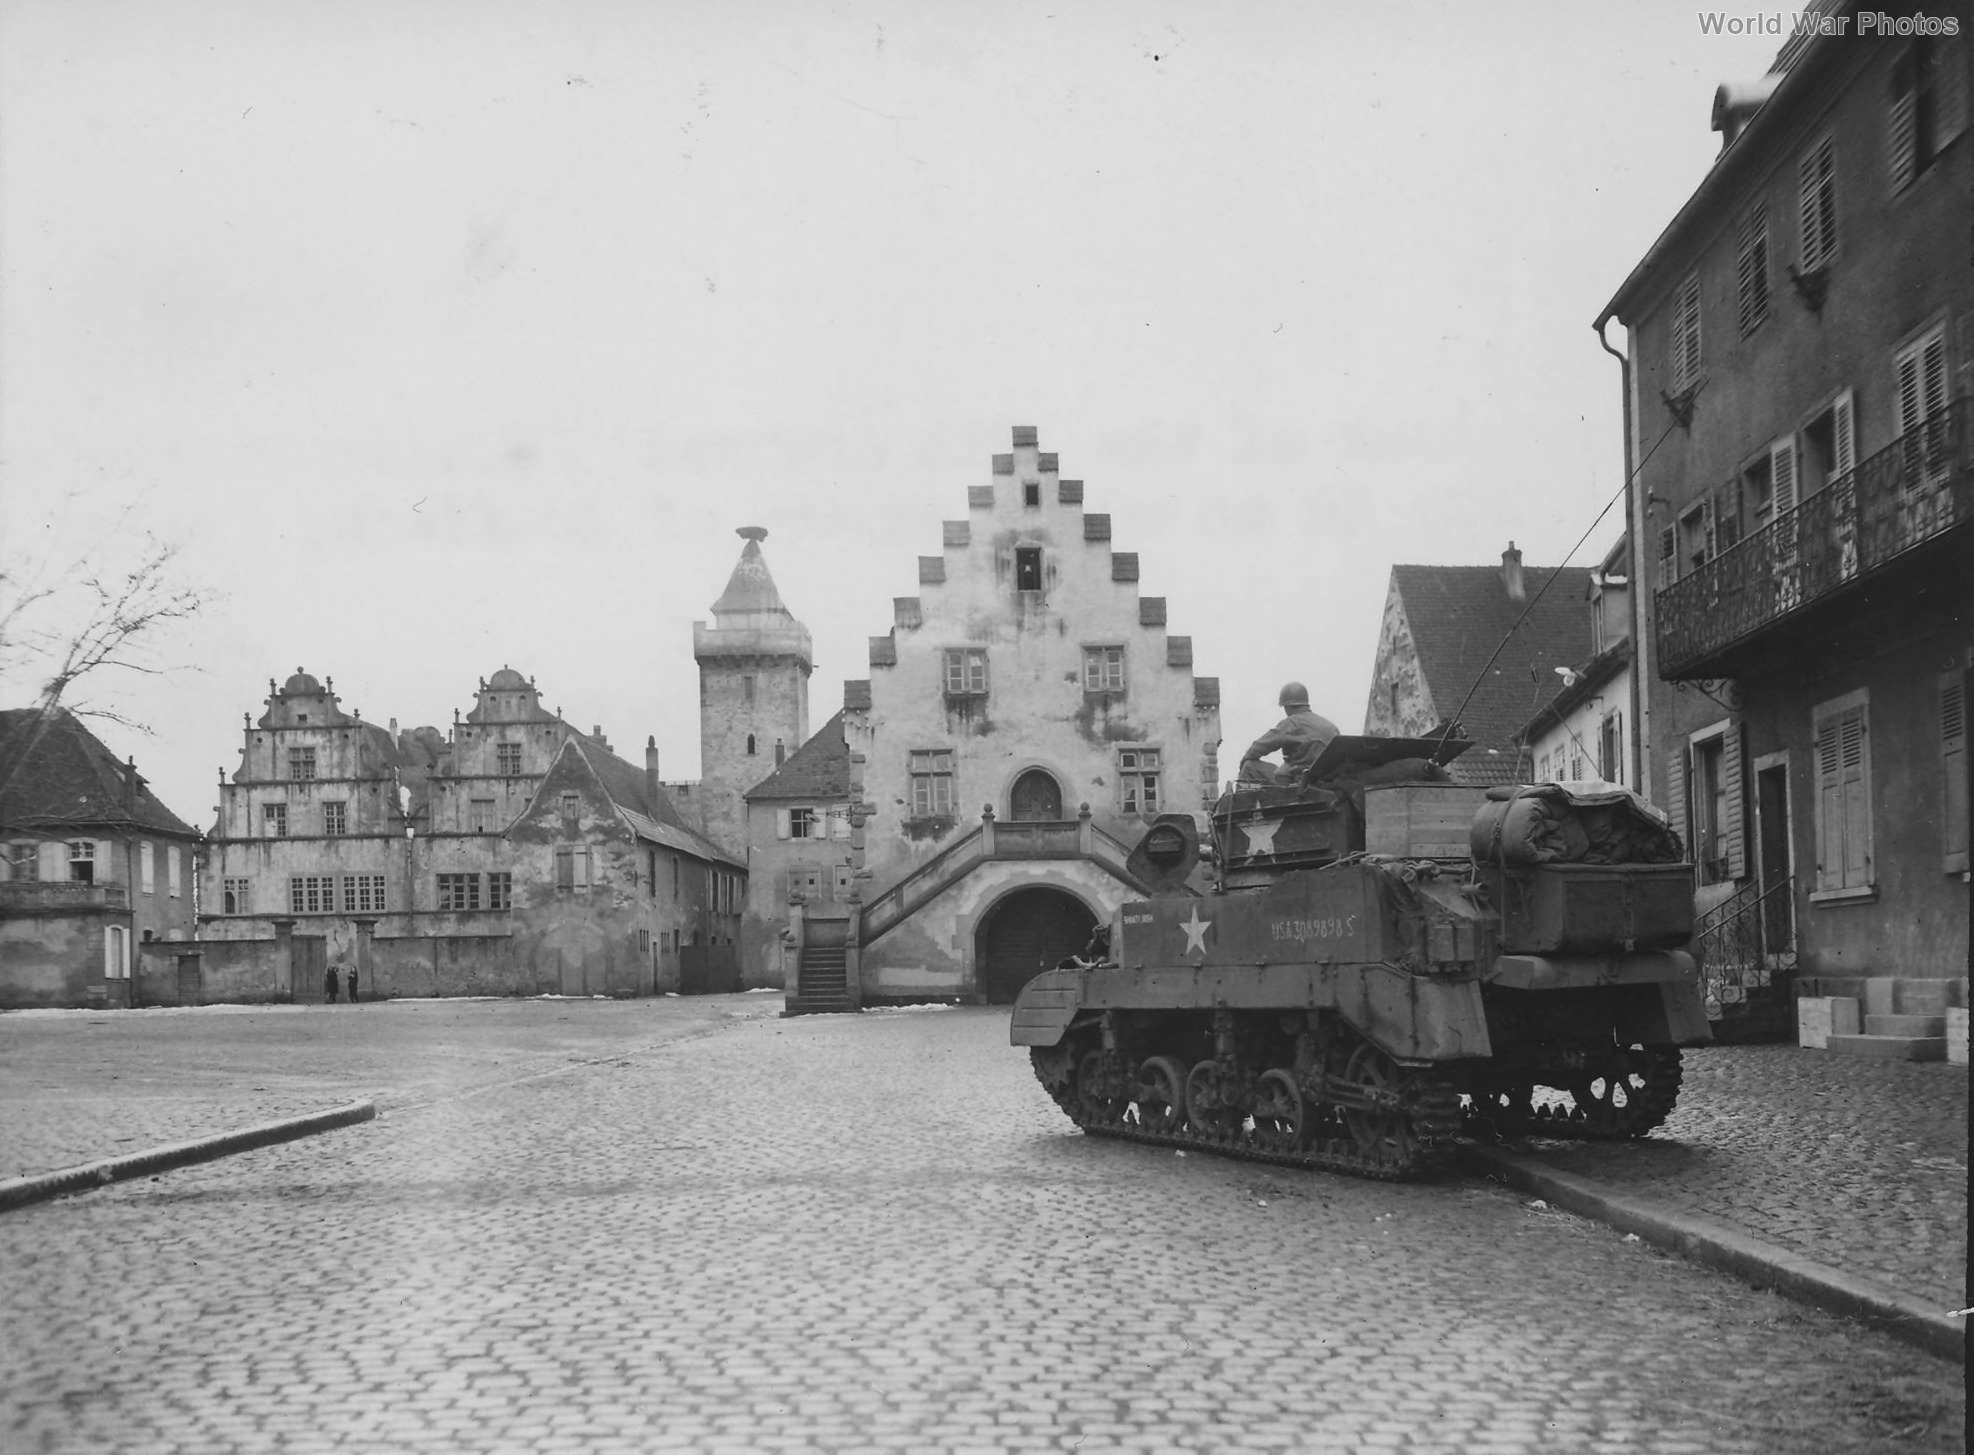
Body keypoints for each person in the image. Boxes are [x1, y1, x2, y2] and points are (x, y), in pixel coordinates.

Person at [1238, 681, 1341, 786]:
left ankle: (1241, 801)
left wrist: (1243, 763)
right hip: (1328, 783)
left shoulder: (1291, 723)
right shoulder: (1331, 727)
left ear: (1287, 707)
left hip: (1299, 783)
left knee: (1249, 766)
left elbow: (1258, 747)